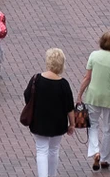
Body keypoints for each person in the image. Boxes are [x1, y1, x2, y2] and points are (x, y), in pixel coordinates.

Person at [25, 48, 75, 177]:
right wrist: (72, 124)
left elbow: (27, 96)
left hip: (39, 120)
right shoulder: (63, 84)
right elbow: (69, 107)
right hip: (58, 122)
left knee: (41, 150)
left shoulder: (36, 79)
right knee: (54, 150)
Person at [78, 31, 110, 171]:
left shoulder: (94, 55)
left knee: (93, 126)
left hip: (93, 96)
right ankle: (105, 158)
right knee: (108, 129)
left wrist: (79, 94)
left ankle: (95, 151)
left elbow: (87, 77)